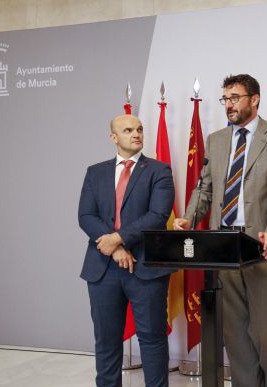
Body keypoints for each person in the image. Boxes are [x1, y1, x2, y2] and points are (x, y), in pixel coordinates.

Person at [174, 74, 267, 387]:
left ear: (254, 99)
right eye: (225, 99)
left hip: (261, 246)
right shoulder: (216, 140)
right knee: (235, 331)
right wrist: (189, 218)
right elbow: (204, 188)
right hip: (223, 247)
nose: (228, 105)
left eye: (235, 98)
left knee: (266, 330)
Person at [78, 114, 175, 387]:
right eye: (128, 130)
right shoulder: (95, 172)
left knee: (152, 339)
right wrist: (115, 248)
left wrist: (117, 238)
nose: (136, 134)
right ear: (114, 137)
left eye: (140, 129)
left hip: (146, 267)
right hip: (103, 268)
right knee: (106, 341)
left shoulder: (160, 170)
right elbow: (86, 216)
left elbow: (157, 215)